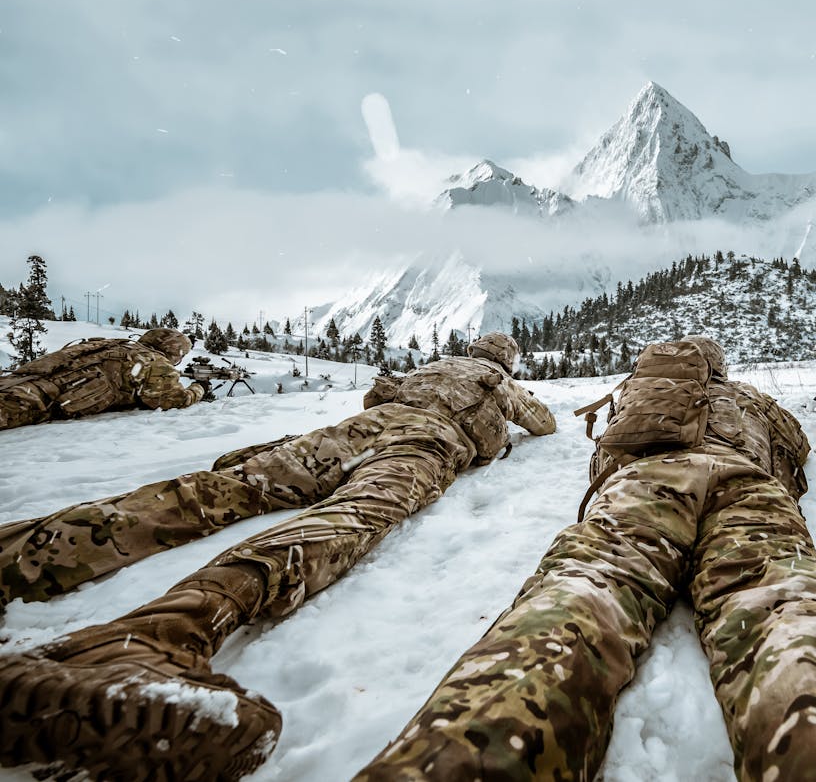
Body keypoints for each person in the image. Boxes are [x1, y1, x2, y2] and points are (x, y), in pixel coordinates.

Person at [355, 335, 816, 782]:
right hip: (748, 488)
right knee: (785, 608)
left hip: (642, 488)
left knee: (581, 594)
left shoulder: (641, 392)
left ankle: (464, 753)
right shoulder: (753, 400)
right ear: (721, 370)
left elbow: (604, 456)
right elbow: (798, 451)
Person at [0, 332, 555, 782]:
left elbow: (374, 397)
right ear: (504, 361)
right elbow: (543, 423)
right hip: (423, 443)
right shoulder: (497, 381)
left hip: (351, 431)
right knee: (351, 516)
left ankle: (23, 556)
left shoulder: (432, 366)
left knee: (223, 489)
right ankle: (157, 637)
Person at [0, 328, 205, 430]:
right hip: (36, 400)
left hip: (19, 383)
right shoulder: (155, 361)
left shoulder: (116, 345)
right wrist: (199, 388)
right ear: (173, 351)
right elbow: (171, 400)